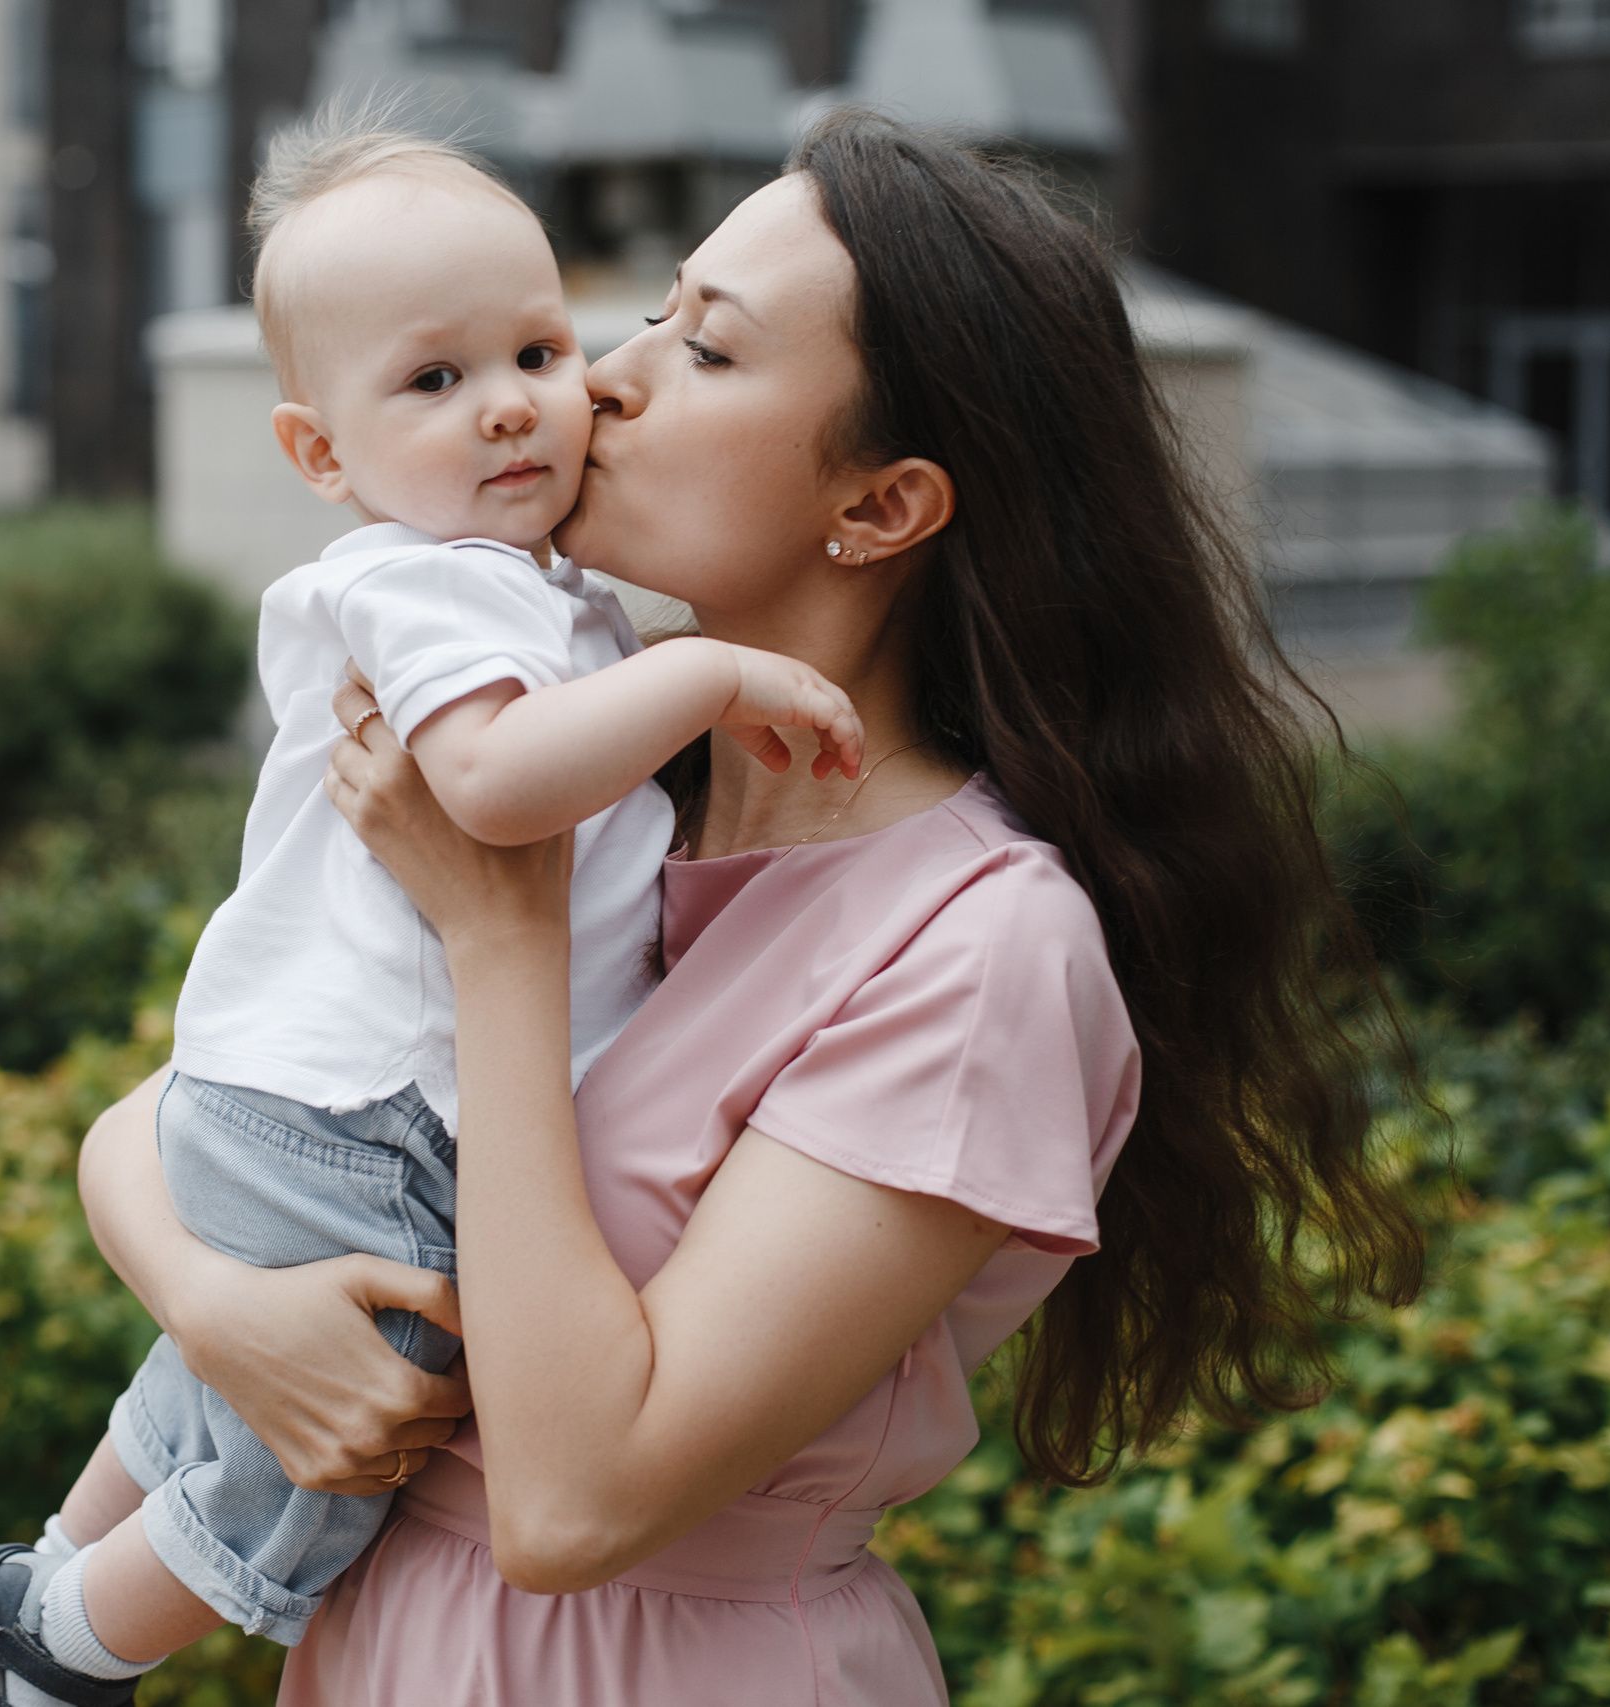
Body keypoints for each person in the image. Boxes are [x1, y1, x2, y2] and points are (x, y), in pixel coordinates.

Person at [71, 110, 1426, 1704]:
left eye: (704, 350)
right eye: (644, 312)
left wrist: (503, 940)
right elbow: (183, 1115)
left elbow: (578, 1503)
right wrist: (222, 1308)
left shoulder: (980, 948)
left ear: (881, 506)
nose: (600, 381)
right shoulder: (610, 763)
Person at [0, 115, 866, 1707]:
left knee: (214, 1392)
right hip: (368, 1115)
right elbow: (495, 793)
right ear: (320, 455)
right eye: (434, 383)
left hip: (309, 1095)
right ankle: (63, 1650)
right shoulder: (427, 583)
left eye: (536, 345)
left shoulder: (533, 592)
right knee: (348, 1420)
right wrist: (702, 677)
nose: (517, 402)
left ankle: (40, 1566)